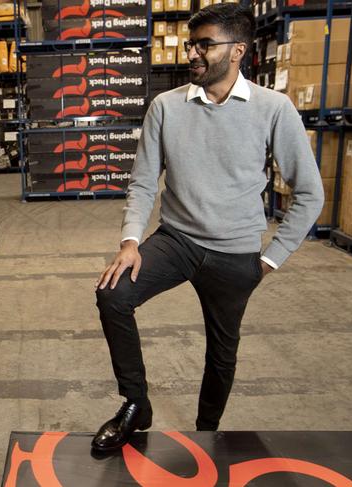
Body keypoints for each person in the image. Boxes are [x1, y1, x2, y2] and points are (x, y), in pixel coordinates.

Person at [91, 3, 324, 451]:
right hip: (177, 239)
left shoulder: (274, 109)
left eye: (205, 45)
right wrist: (130, 242)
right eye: (191, 44)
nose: (193, 54)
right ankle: (135, 406)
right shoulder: (166, 106)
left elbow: (310, 194)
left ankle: (205, 434)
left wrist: (271, 259)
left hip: (236, 252)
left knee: (221, 354)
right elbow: (143, 182)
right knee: (113, 294)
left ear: (238, 51)